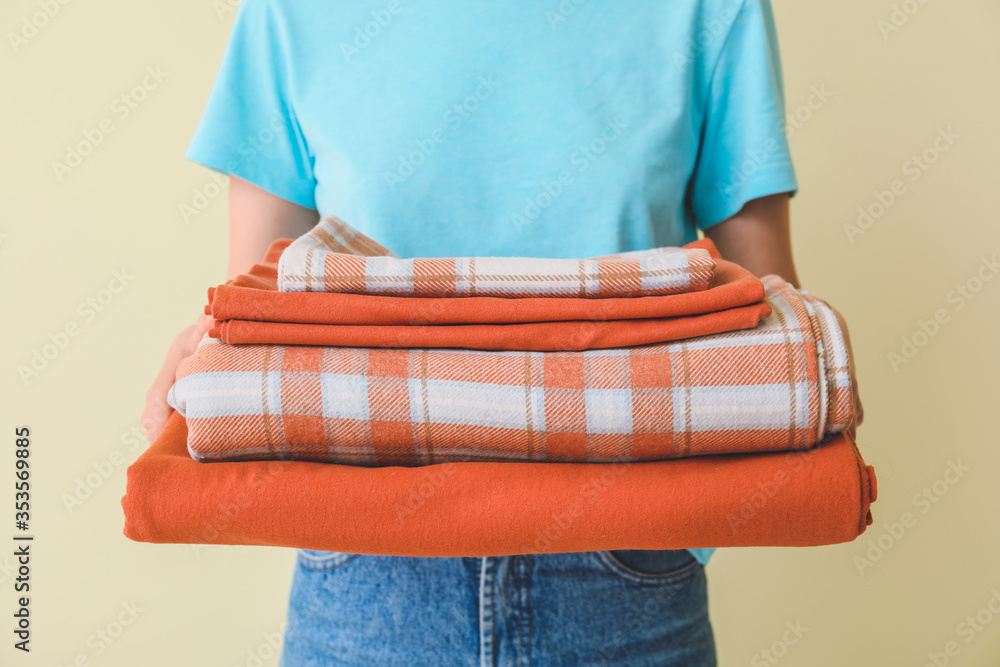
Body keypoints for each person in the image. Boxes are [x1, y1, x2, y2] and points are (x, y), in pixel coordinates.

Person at [142, 0, 860, 663]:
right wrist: (212, 351)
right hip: (363, 570)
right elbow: (263, 300)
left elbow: (766, 322)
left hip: (627, 569)